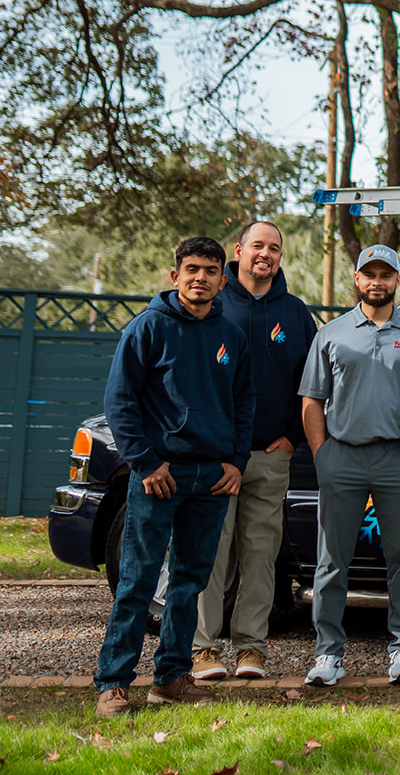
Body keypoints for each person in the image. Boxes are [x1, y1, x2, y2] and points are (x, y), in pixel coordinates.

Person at [94, 236, 254, 718]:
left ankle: (170, 678)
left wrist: (236, 462)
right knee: (138, 582)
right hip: (159, 476)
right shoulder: (147, 328)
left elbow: (244, 404)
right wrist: (145, 463)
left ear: (223, 280)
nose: (200, 277)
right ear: (175, 276)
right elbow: (119, 401)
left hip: (212, 479)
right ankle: (113, 683)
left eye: (210, 270)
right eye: (192, 269)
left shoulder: (232, 336)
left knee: (189, 584)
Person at [297, 244, 400, 687]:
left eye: (385, 274)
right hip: (342, 455)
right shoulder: (331, 333)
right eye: (369, 274)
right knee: (331, 560)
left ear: (397, 280)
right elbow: (312, 400)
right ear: (356, 279)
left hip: (398, 457)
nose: (377, 282)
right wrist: (323, 455)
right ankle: (328, 654)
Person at [190, 221, 317, 682]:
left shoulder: (296, 313)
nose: (266, 254)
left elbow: (311, 382)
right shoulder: (213, 303)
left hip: (270, 455)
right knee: (211, 553)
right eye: (258, 246)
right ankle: (202, 648)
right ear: (239, 251)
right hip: (218, 457)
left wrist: (292, 437)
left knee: (261, 556)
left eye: (274, 248)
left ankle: (251, 648)